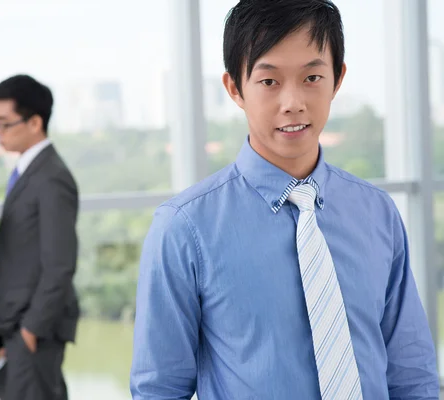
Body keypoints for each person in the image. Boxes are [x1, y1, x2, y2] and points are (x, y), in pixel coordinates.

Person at [130, 1, 439, 399]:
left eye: (312, 77)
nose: (293, 101)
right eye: (269, 82)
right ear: (234, 88)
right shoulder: (184, 228)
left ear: (337, 79)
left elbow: (411, 373)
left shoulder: (377, 212)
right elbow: (159, 388)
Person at [0, 74, 79, 400]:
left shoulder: (51, 177)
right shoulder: (28, 171)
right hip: (16, 326)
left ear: (35, 122)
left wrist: (31, 328)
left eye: (5, 123)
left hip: (34, 328)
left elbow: (60, 263)